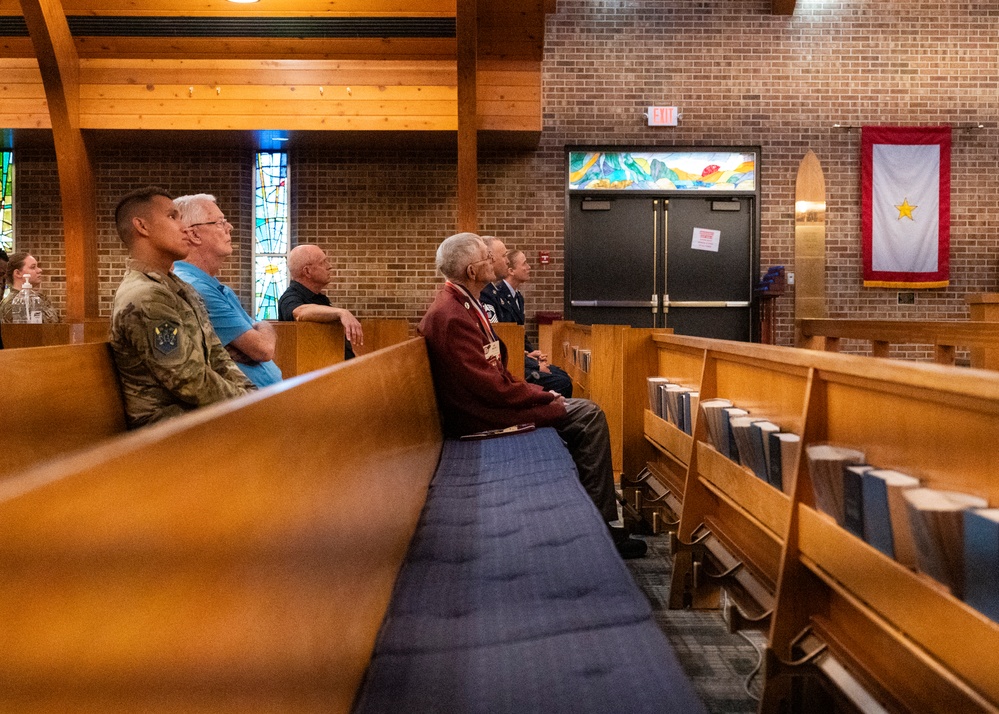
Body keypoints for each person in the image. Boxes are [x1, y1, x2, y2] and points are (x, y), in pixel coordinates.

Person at [418, 232, 646, 559]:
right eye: (486, 257)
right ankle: (602, 527)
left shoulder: (464, 304)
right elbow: (491, 387)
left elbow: (494, 371)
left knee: (579, 408)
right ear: (471, 271)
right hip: (484, 418)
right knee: (589, 416)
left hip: (490, 406)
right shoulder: (453, 315)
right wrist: (542, 398)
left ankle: (593, 520)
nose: (494, 263)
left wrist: (539, 393)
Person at [110, 186, 255, 429]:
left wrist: (253, 395)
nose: (184, 227)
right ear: (142, 227)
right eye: (172, 217)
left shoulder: (178, 288)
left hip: (196, 417)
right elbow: (190, 379)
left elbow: (218, 356)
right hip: (165, 430)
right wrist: (250, 404)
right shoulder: (146, 297)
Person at [172, 193, 282, 389]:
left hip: (264, 398)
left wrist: (261, 326)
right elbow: (263, 350)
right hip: (242, 406)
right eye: (220, 222)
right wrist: (259, 330)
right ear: (194, 234)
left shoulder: (215, 286)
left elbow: (260, 343)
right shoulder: (195, 287)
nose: (229, 227)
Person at [480, 246, 573, 398]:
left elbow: (519, 334)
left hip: (519, 356)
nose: (529, 267)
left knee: (562, 374)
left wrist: (532, 354)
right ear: (511, 271)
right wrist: (533, 364)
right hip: (510, 362)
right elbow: (502, 338)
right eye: (524, 264)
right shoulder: (492, 295)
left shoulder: (517, 297)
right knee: (561, 382)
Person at [278, 244, 363, 359]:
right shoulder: (289, 297)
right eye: (323, 262)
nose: (330, 266)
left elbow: (341, 347)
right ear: (307, 271)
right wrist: (342, 312)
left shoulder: (321, 299)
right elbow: (300, 312)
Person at [0, 251, 60, 323]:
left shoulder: (40, 297)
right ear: (18, 273)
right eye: (33, 267)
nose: (40, 270)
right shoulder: (13, 303)